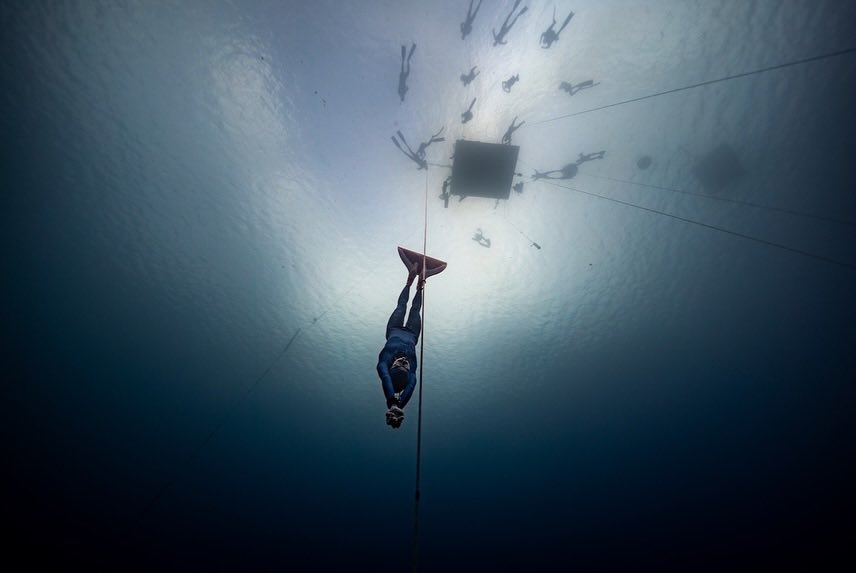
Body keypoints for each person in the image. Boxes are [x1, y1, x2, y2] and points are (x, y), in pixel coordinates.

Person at [377, 262, 425, 429]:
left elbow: (384, 378)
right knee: (415, 310)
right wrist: (400, 406)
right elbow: (411, 384)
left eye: (400, 365)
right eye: (406, 366)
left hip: (394, 329)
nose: (404, 362)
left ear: (391, 367)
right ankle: (420, 287)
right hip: (412, 334)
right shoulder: (411, 369)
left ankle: (409, 281)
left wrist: (392, 403)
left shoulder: (384, 361)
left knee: (401, 306)